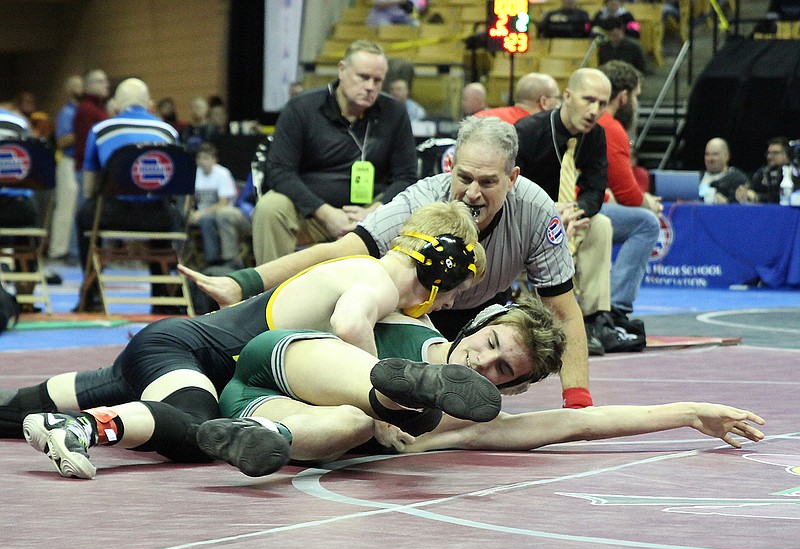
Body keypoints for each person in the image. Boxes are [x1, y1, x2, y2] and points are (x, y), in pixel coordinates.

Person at [10, 201, 489, 479]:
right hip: (186, 354)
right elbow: (349, 325)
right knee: (196, 429)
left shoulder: (362, 271)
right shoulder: (378, 280)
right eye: (455, 294)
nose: (447, 306)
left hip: (173, 346)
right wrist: (377, 407)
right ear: (442, 272)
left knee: (13, 412)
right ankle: (80, 429)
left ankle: (50, 416)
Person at [179, 115, 595, 411]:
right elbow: (342, 251)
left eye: (488, 183)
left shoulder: (537, 212)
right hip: (408, 317)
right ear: (449, 167)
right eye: (464, 178)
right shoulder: (422, 198)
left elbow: (564, 310)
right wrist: (246, 282)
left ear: (514, 179)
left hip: (476, 326)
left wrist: (577, 401)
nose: (472, 193)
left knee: (466, 415)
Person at [191, 301, 763, 477]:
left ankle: (261, 438)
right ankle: (386, 397)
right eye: (489, 344)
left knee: (351, 429)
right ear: (476, 327)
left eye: (502, 372)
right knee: (371, 407)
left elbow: (579, 423)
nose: (483, 362)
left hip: (258, 405)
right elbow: (347, 311)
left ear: (511, 389)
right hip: (289, 359)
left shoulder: (475, 422)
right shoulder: (411, 329)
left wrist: (688, 413)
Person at [251, 40, 417, 265]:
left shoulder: (394, 113)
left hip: (373, 214)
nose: (370, 87)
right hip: (313, 213)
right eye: (363, 77)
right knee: (270, 208)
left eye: (377, 81)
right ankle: (270, 294)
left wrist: (375, 211)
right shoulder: (302, 108)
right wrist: (325, 213)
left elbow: (406, 177)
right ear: (342, 70)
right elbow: (279, 170)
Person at [514, 68, 617, 356]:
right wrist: (549, 212)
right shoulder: (529, 131)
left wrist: (576, 211)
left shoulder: (595, 136)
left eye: (602, 103)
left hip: (567, 217)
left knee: (601, 225)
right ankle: (544, 314)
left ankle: (596, 318)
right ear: (567, 97)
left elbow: (596, 189)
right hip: (529, 219)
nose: (595, 110)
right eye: (588, 100)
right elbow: (510, 190)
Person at [75, 78, 183, 312]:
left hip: (114, 214)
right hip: (159, 219)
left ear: (115, 105)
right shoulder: (169, 131)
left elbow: (89, 189)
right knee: (166, 206)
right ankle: (163, 296)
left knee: (84, 215)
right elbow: (176, 187)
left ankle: (91, 294)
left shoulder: (101, 130)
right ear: (150, 105)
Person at [597, 60, 661, 330]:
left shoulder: (593, 122)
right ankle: (616, 309)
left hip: (566, 202)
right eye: (635, 96)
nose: (636, 103)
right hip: (573, 209)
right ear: (622, 97)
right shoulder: (610, 127)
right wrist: (651, 204)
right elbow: (630, 196)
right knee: (647, 223)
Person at [190, 142, 246, 267]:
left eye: (205, 158)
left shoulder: (222, 174)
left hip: (221, 213)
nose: (201, 162)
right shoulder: (195, 173)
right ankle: (185, 258)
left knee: (206, 219)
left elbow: (223, 203)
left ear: (214, 160)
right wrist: (191, 213)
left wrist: (200, 214)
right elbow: (190, 200)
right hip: (201, 214)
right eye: (199, 158)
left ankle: (212, 261)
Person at [49, 75, 83, 262]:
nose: (81, 90)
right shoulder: (66, 113)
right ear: (69, 90)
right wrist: (82, 130)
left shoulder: (80, 112)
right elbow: (61, 141)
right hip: (67, 162)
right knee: (65, 207)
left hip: (78, 164)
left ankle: (71, 249)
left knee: (75, 208)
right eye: (77, 86)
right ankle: (57, 249)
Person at [475, 73, 561, 125]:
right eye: (556, 98)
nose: (558, 103)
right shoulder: (536, 130)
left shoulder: (481, 116)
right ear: (544, 102)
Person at [736, 137, 800, 204]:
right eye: (768, 153)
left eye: (775, 153)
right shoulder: (763, 172)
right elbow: (752, 189)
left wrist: (759, 197)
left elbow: (786, 196)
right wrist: (745, 192)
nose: (769, 157)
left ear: (787, 155)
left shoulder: (794, 173)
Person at [699, 137, 749, 204]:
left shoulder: (737, 179)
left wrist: (726, 202)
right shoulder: (697, 177)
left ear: (726, 156)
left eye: (715, 154)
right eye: (707, 154)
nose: (710, 159)